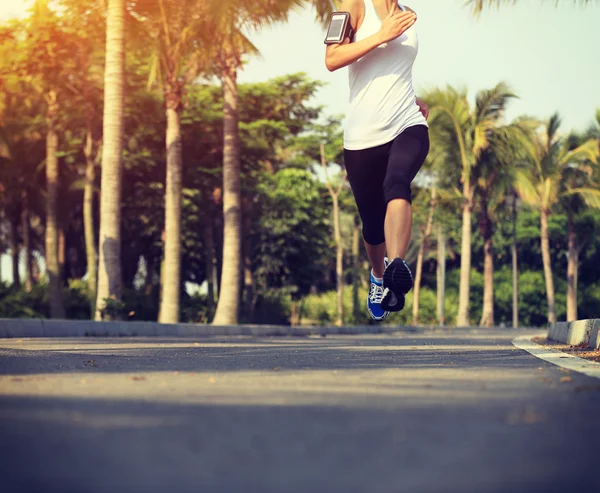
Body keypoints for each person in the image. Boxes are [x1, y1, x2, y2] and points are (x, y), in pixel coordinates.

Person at [325, 0, 430, 321]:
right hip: (362, 137)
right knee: (372, 223)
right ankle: (379, 275)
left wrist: (411, 100)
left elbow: (394, 69)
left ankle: (396, 268)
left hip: (407, 122)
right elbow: (331, 59)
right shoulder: (349, 7)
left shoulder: (407, 12)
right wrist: (380, 35)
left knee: (397, 184)